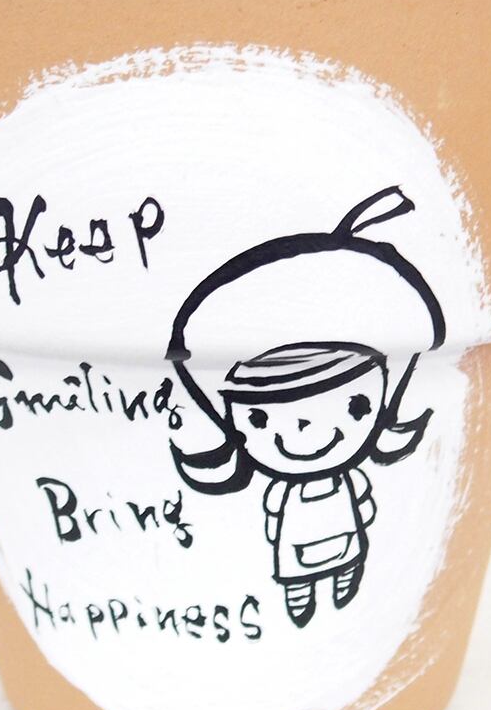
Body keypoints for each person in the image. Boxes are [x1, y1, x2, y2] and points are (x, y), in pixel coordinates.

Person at [166, 187, 445, 627]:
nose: (304, 432)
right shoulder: (288, 490)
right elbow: (282, 514)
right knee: (297, 575)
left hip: (341, 537)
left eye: (354, 405)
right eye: (259, 418)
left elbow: (354, 505)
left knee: (345, 559)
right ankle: (300, 594)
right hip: (298, 546)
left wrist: (361, 512)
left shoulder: (339, 479)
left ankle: (341, 580)